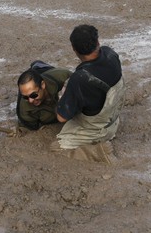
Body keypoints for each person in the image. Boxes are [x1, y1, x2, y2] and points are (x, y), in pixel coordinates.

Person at [52, 25, 126, 163]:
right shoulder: (111, 54)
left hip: (98, 130)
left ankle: (98, 151)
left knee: (56, 148)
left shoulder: (79, 79)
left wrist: (61, 97)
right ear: (98, 42)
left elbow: (61, 117)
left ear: (74, 49)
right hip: (113, 121)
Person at [16, 61, 72, 131]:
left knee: (39, 67)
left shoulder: (63, 77)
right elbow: (29, 127)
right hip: (46, 114)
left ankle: (37, 65)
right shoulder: (25, 110)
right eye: (25, 97)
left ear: (43, 85)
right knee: (48, 117)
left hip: (46, 71)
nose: (30, 100)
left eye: (33, 95)